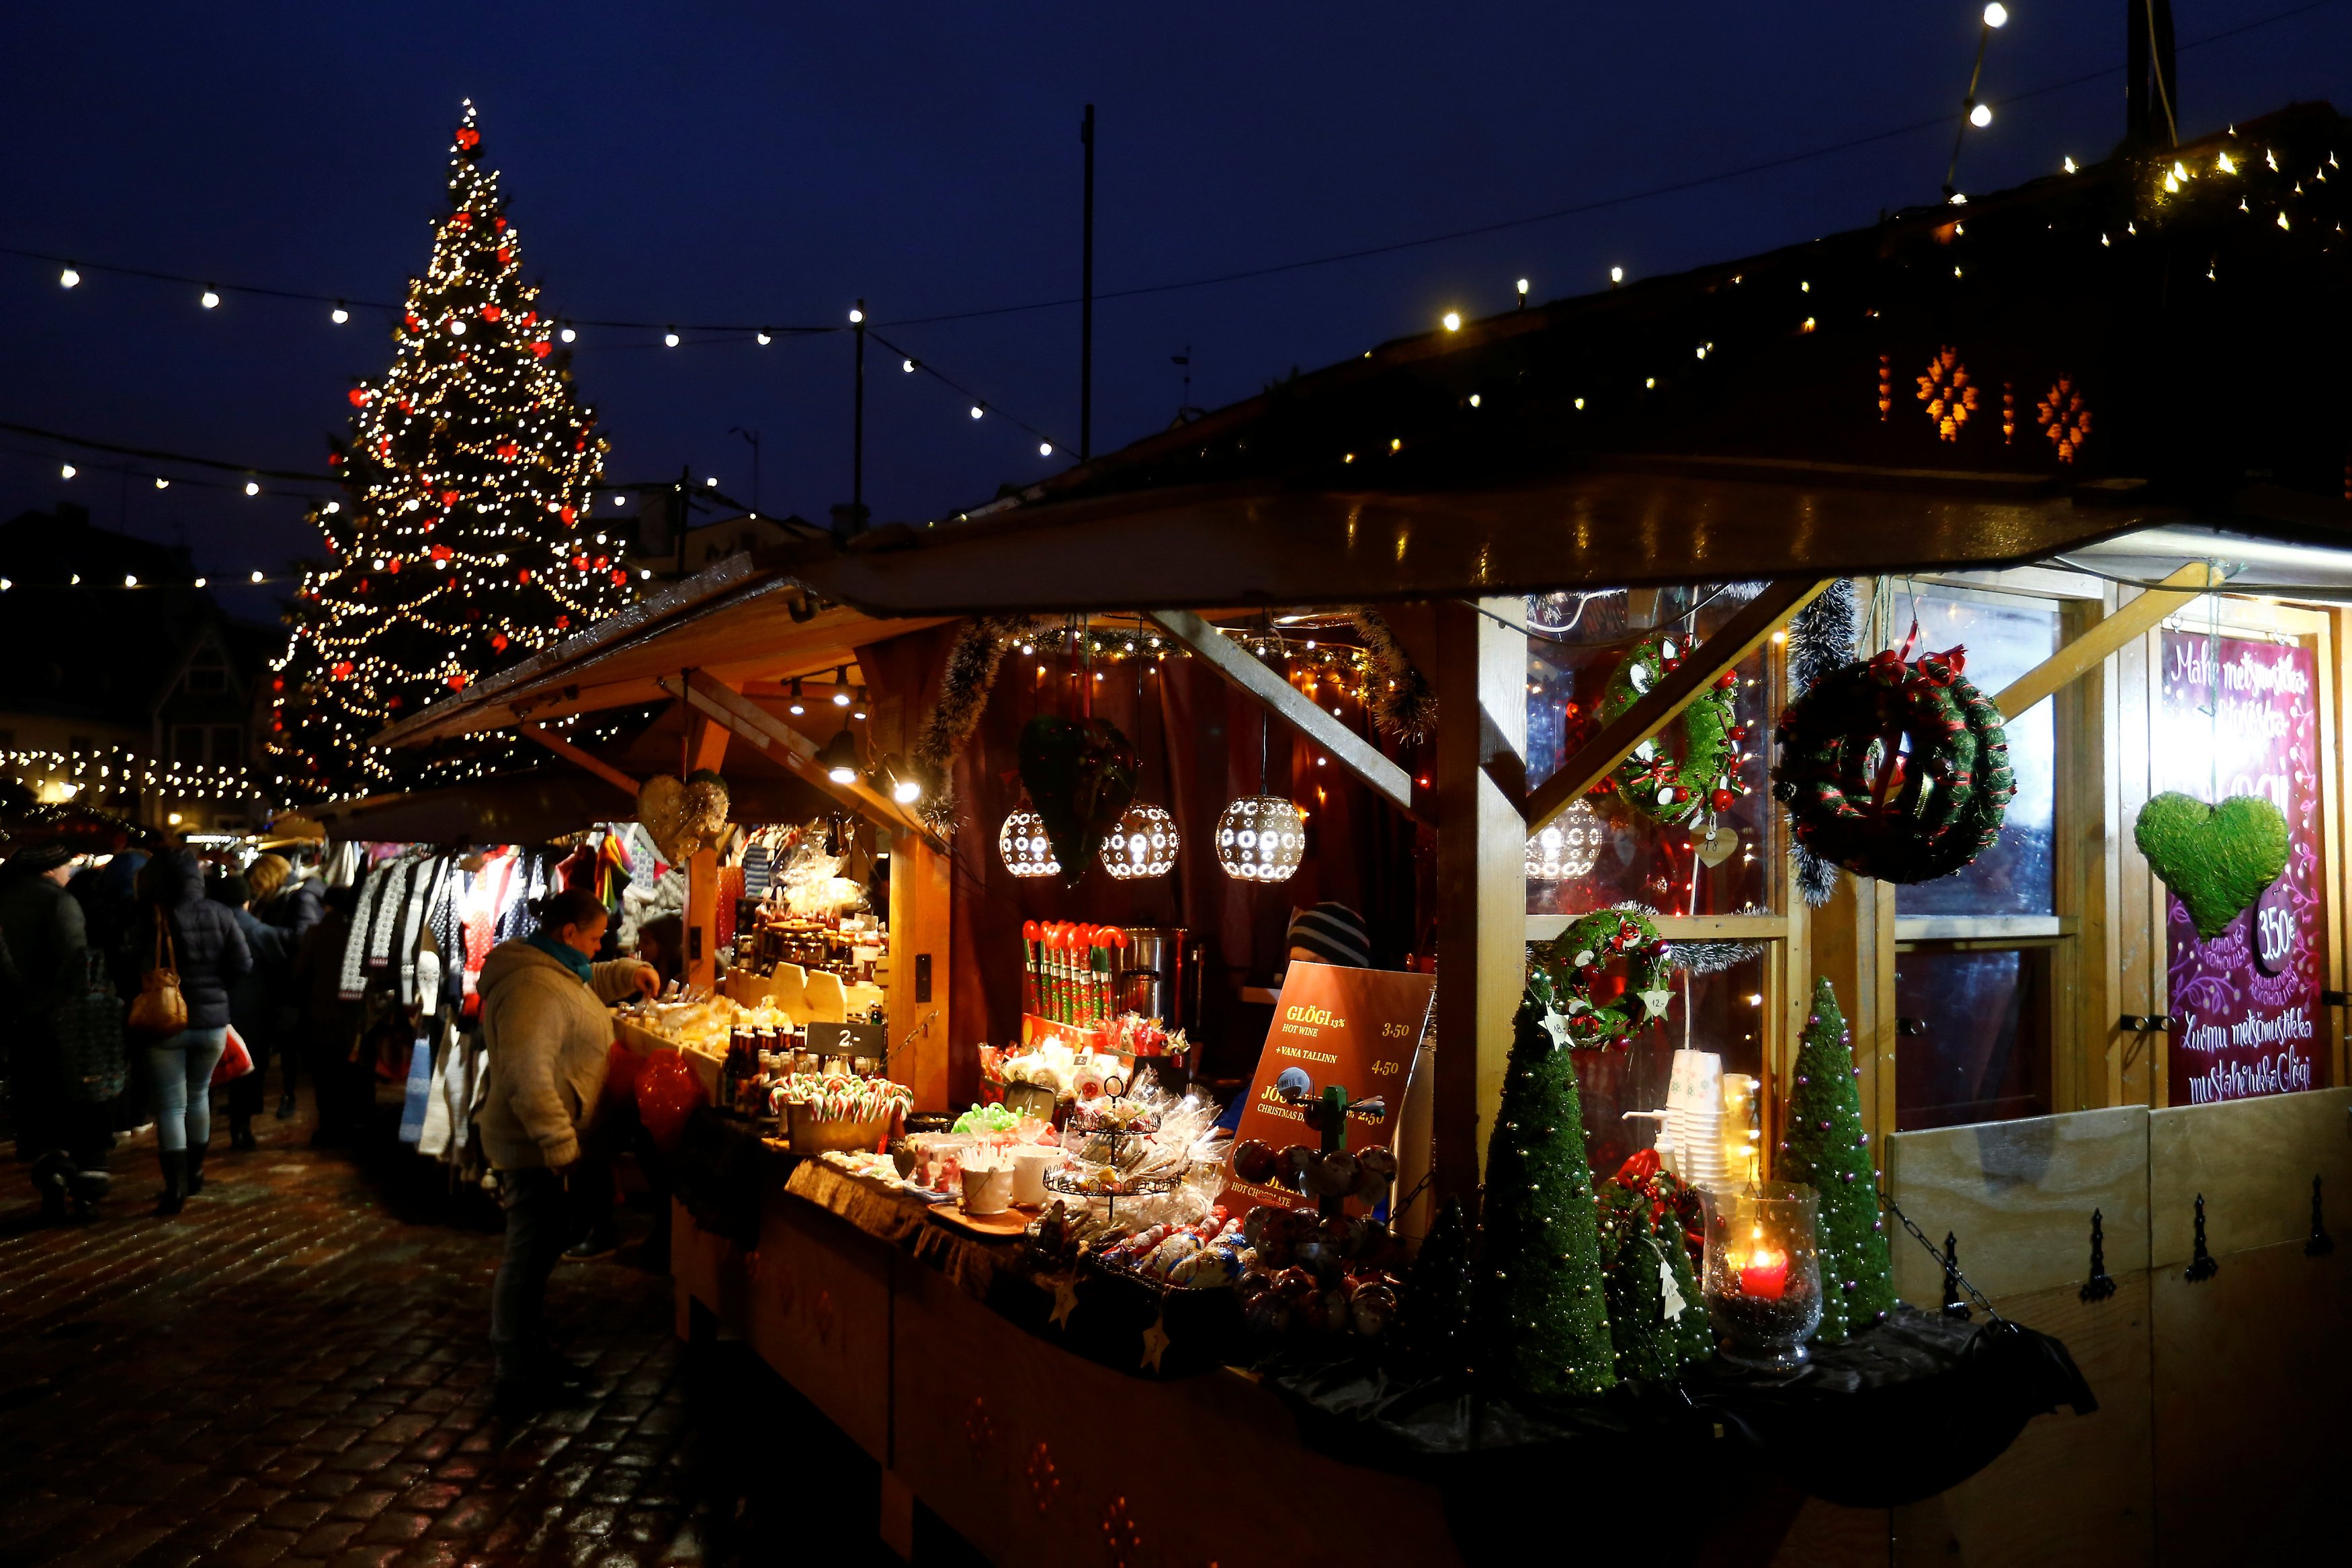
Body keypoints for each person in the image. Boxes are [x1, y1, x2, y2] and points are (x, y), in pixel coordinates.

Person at [476, 885, 657, 1408]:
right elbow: (527, 1075)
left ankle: (531, 1353)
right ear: (568, 934)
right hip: (535, 1147)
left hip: (552, 1143)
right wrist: (559, 1146)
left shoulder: (553, 969)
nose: (601, 948)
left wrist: (625, 974)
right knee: (527, 1257)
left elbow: (581, 985)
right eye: (597, 938)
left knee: (539, 1255)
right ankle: (515, 1369)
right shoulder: (532, 986)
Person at [0, 839, 112, 1218]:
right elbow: (74, 960)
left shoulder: (5, 898)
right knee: (74, 1099)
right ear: (52, 868)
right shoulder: (59, 902)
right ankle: (79, 1181)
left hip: (17, 1015)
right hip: (60, 1016)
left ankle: (50, 1171)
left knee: (37, 1099)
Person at [140, 847, 252, 1215]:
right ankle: (197, 1171)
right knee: (200, 1094)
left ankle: (176, 1188)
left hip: (163, 1022)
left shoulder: (152, 916)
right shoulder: (219, 912)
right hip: (212, 1022)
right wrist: (218, 992)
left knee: (172, 1105)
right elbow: (242, 963)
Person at [1214, 902, 1373, 1133]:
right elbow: (1254, 1101)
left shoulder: (1369, 1043)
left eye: (1315, 963)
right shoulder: (1293, 1031)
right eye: (1295, 964)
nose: (1301, 975)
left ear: (1347, 970)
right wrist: (1220, 1134)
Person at [216, 872, 296, 1152]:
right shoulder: (262, 933)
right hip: (255, 1012)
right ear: (247, 902)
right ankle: (242, 1127)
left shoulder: (213, 929)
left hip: (215, 1009)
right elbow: (281, 971)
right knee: (250, 1069)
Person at [247, 852, 321, 1120]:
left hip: (291, 984)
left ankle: (289, 1097)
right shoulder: (282, 897)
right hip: (276, 980)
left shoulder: (301, 898)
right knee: (268, 1041)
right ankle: (255, 1099)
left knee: (288, 1043)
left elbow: (304, 937)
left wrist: (260, 933)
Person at [290, 883, 365, 1146]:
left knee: (324, 1075)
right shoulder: (359, 933)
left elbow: (300, 972)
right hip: (353, 1013)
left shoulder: (316, 932)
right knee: (349, 1072)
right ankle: (350, 1125)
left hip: (321, 1012)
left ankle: (328, 1128)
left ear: (327, 905)